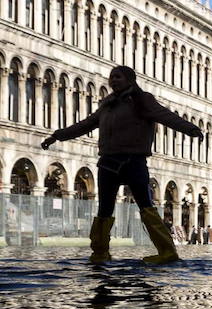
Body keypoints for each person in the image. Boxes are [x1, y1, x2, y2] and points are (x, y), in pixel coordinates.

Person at [41, 65, 202, 264]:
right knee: (104, 209)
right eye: (111, 77)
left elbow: (165, 115)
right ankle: (99, 252)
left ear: (129, 79)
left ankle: (167, 251)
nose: (113, 80)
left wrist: (191, 129)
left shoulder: (142, 101)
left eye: (118, 77)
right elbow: (85, 125)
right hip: (108, 162)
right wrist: (57, 136)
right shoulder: (107, 105)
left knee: (146, 206)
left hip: (133, 160)